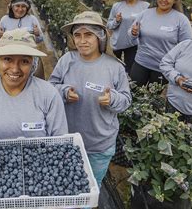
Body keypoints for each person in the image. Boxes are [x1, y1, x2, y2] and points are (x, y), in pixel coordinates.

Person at [49, 11, 131, 187]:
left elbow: (126, 100)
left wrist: (112, 99)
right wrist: (63, 92)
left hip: (99, 144)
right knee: (67, 183)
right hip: (68, 138)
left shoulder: (114, 67)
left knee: (90, 186)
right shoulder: (67, 60)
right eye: (77, 35)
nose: (82, 40)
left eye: (88, 35)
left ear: (100, 37)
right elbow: (51, 86)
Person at [129, 0, 192, 86]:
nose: (164, 0)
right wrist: (133, 33)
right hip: (141, 63)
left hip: (163, 68)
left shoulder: (181, 20)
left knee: (152, 98)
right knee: (133, 92)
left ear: (175, 0)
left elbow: (187, 46)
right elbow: (131, 35)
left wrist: (177, 66)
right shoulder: (146, 14)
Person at [107, 0, 149, 73]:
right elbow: (109, 25)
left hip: (133, 44)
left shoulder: (145, 6)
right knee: (113, 69)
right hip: (117, 43)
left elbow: (148, 26)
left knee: (130, 70)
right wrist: (116, 21)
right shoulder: (117, 6)